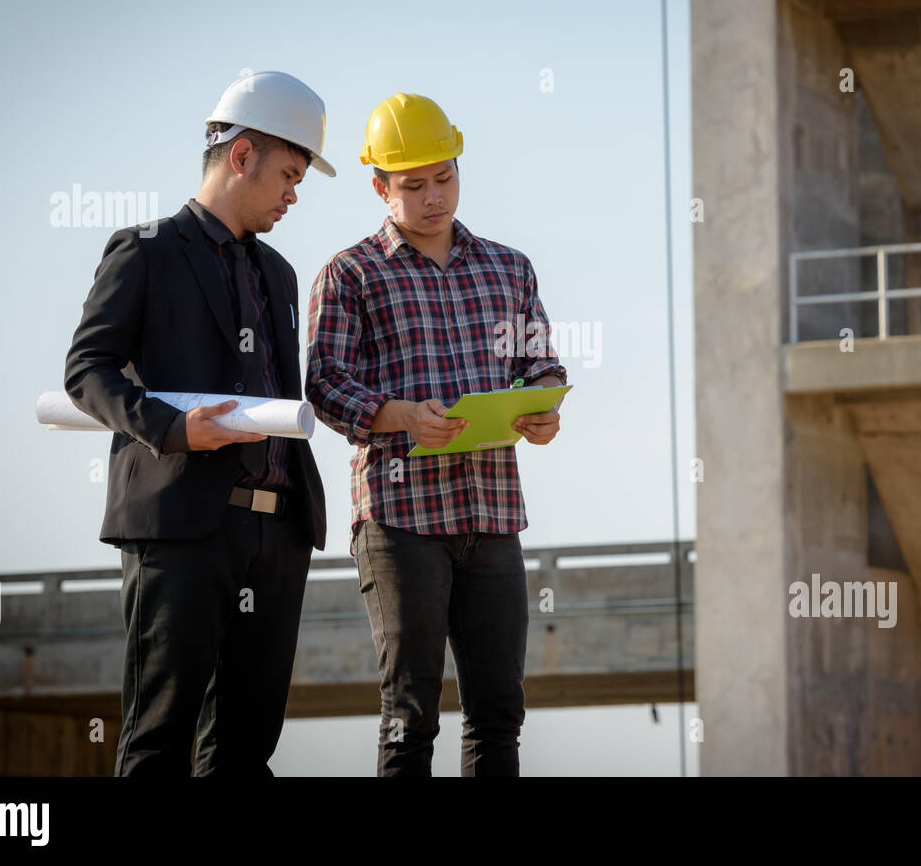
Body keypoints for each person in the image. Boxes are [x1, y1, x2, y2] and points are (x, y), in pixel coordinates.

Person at [64, 71, 333, 776]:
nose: (294, 193)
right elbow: (87, 370)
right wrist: (174, 429)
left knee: (245, 751)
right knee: (158, 742)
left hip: (277, 532)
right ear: (241, 156)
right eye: (289, 173)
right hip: (180, 528)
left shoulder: (277, 272)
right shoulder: (145, 250)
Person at [306, 92, 567, 776]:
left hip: (492, 512)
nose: (433, 197)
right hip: (400, 522)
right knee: (409, 714)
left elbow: (540, 363)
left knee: (498, 715)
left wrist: (542, 412)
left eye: (444, 178)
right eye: (413, 185)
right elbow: (325, 386)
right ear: (379, 188)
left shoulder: (510, 268)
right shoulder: (350, 274)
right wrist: (399, 414)